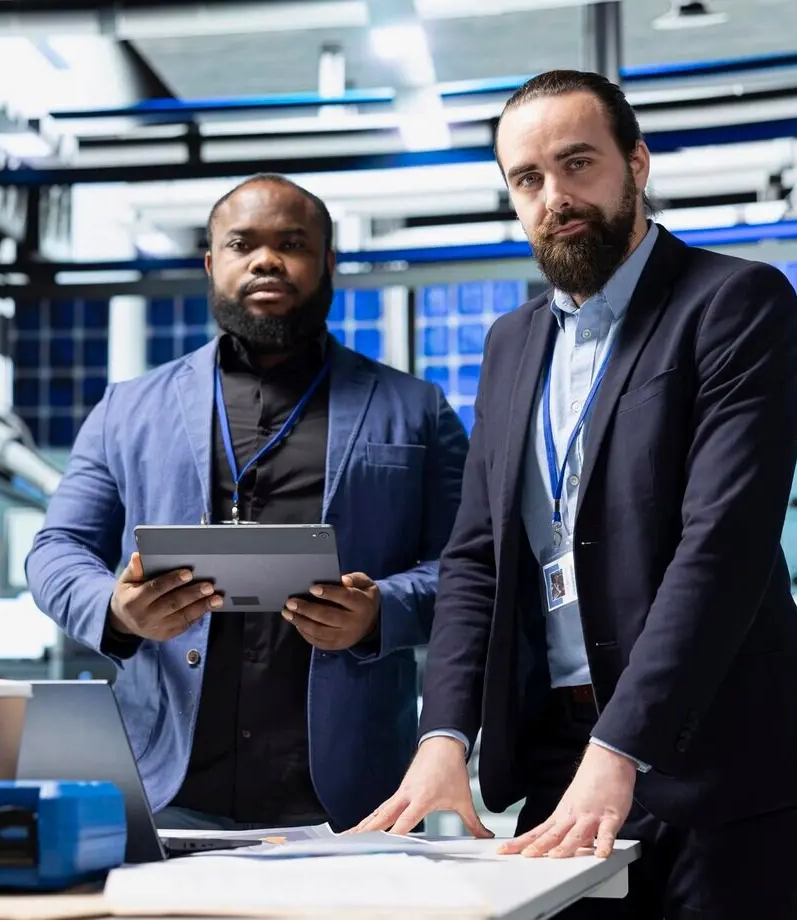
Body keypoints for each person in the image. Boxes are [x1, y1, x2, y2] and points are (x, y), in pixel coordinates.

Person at [354, 70, 797, 917]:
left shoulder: (733, 302)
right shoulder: (511, 344)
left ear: (638, 164)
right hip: (558, 757)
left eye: (578, 164)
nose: (555, 196)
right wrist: (444, 735)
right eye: (528, 179)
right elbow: (477, 557)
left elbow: (720, 546)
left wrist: (621, 744)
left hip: (723, 761)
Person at [26, 173, 468, 832]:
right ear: (212, 263)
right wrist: (116, 610)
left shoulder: (415, 409)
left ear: (326, 264)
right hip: (163, 786)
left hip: (354, 800)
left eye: (292, 243)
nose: (267, 260)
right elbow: (56, 550)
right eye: (243, 245)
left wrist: (380, 613)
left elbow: (468, 567)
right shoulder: (128, 408)